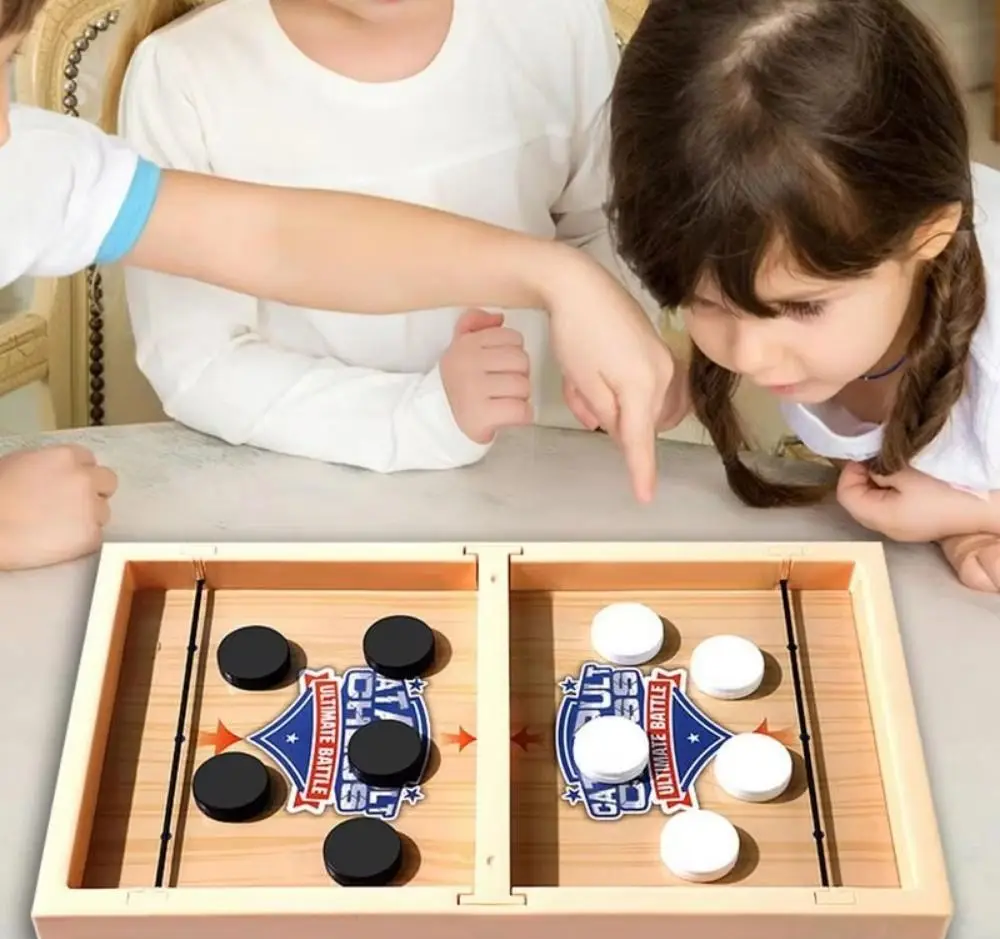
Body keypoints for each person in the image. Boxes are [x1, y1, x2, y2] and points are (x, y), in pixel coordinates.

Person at [0, 0, 681, 572]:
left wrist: (587, 296)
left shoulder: (28, 166)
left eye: (6, 65)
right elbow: (202, 354)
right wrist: (420, 416)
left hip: (548, 490)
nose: (6, 120)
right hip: (308, 509)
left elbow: (281, 239)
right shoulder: (187, 74)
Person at [607, 0, 1000, 593]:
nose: (750, 355)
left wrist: (969, 514)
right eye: (703, 301)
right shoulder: (837, 268)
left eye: (802, 307)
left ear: (929, 235)